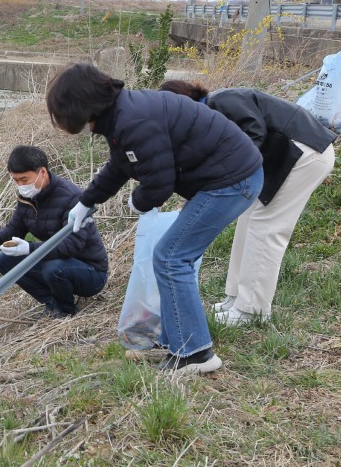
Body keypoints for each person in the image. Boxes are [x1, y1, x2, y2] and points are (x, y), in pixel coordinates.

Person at [45, 63, 263, 375]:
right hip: (224, 177)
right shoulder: (121, 115)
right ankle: (175, 340)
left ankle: (195, 353)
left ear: (80, 105)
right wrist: (87, 200)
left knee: (172, 257)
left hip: (231, 181)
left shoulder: (133, 121)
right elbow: (120, 165)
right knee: (170, 256)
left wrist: (137, 202)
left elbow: (158, 185)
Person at [158, 80, 337, 326]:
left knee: (266, 226)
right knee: (248, 217)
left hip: (306, 153)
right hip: (287, 157)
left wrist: (235, 172)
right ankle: (236, 298)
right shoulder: (208, 115)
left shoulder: (221, 101)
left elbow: (254, 132)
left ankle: (252, 310)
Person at [0, 145, 109, 318]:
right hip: (57, 262)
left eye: (24, 179)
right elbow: (14, 230)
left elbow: (73, 244)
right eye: (15, 180)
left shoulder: (72, 197)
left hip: (90, 272)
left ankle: (65, 310)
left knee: (53, 268)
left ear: (42, 172)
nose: (21, 185)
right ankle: (51, 302)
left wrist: (30, 249)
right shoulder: (28, 197)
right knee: (5, 260)